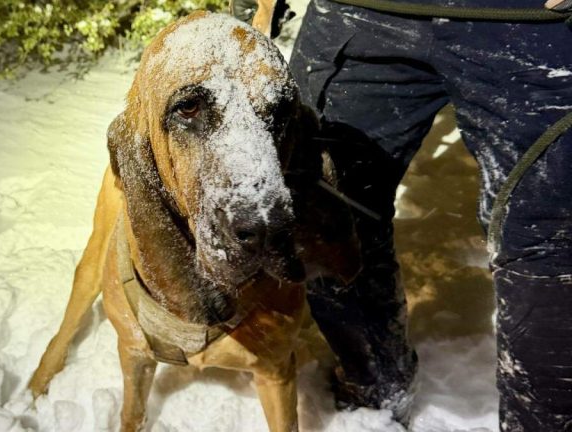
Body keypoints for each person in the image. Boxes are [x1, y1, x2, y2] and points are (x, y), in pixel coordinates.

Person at [230, 0, 572, 430]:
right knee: (320, 217)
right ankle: (375, 394)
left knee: (551, 254)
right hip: (363, 11)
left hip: (536, 23)